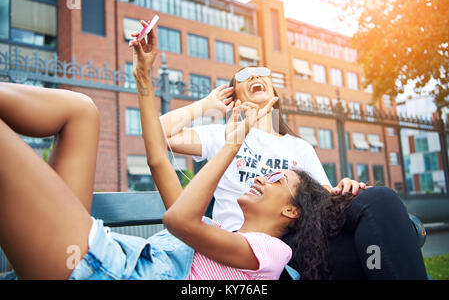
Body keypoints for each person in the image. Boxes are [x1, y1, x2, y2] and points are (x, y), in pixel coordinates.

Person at [0, 26, 354, 280]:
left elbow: (178, 220)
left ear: (292, 209)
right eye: (245, 75)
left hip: (102, 267)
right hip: (101, 255)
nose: (262, 176)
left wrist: (350, 188)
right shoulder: (213, 226)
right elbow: (157, 157)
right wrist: (143, 78)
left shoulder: (273, 253)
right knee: (82, 110)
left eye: (277, 178)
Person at [157, 37, 428, 279]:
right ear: (233, 95)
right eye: (245, 76)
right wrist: (207, 105)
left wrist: (344, 189)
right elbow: (158, 135)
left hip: (299, 232)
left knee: (373, 207)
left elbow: (321, 202)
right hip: (245, 245)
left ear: (275, 94)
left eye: (262, 73)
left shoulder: (300, 147)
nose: (255, 77)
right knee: (377, 235)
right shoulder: (222, 135)